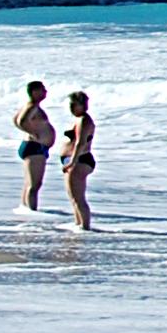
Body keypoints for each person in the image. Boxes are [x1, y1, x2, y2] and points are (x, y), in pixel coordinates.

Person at [59, 90, 98, 232]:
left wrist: (72, 162)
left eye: (73, 105)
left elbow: (80, 143)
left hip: (80, 160)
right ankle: (78, 225)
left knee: (78, 198)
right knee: (73, 197)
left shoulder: (84, 120)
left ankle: (85, 228)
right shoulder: (79, 119)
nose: (70, 108)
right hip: (74, 159)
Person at [15, 81, 57, 210]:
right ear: (34, 92)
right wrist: (32, 132)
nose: (45, 92)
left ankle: (25, 208)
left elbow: (16, 119)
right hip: (35, 147)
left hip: (34, 147)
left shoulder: (31, 106)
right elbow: (21, 121)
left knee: (29, 183)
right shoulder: (32, 106)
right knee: (34, 185)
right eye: (42, 90)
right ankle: (32, 212)